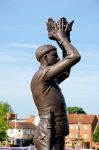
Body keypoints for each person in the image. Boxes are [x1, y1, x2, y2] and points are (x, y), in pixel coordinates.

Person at [31, 17, 81, 150]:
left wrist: (66, 40)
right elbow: (74, 56)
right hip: (48, 133)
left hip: (55, 131)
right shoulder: (43, 74)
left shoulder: (50, 78)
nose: (58, 58)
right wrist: (62, 38)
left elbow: (66, 72)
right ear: (45, 57)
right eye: (55, 55)